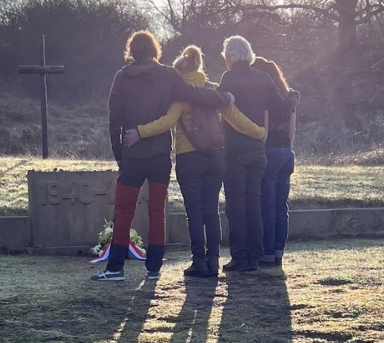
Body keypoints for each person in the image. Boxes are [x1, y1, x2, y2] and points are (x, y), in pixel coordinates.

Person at [97, 31, 232, 282]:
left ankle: (115, 268)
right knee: (157, 209)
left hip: (132, 155)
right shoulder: (169, 75)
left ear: (132, 51)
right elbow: (195, 94)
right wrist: (222, 98)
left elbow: (113, 121)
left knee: (124, 210)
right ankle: (154, 268)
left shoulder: (121, 77)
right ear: (154, 50)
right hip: (160, 155)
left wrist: (121, 155)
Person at [126, 45, 266, 278]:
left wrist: (139, 132)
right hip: (216, 156)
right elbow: (237, 119)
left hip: (189, 158)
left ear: (179, 74)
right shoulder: (214, 91)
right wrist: (260, 132)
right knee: (212, 211)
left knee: (195, 212)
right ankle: (213, 262)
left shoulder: (180, 96)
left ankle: (199, 262)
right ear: (199, 68)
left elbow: (166, 122)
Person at [218, 35, 290, 272]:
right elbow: (281, 106)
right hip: (258, 151)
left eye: (227, 57)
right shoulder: (264, 78)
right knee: (254, 202)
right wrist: (294, 98)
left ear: (231, 56)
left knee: (236, 205)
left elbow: (220, 105)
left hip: (235, 150)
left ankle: (240, 256)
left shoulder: (228, 78)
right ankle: (255, 256)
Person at [253, 57, 298, 268]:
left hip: (269, 151)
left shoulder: (266, 97)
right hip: (286, 153)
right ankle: (279, 251)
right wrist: (286, 148)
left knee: (268, 205)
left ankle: (267, 253)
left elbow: (265, 128)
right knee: (282, 206)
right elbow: (292, 130)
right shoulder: (290, 97)